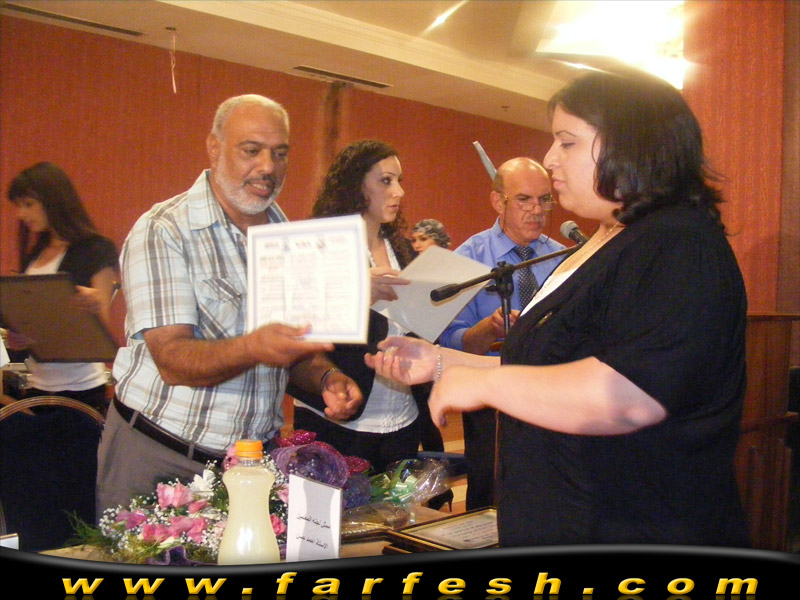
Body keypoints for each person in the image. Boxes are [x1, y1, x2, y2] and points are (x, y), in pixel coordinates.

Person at [366, 68, 750, 547]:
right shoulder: (609, 243)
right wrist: (445, 362)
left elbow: (629, 395)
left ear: (631, 144)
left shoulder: (677, 242)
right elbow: (554, 367)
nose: (550, 159)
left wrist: (484, 383)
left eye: (566, 142)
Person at [97, 94, 363, 516]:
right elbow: (173, 360)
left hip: (251, 464)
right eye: (251, 150)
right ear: (214, 147)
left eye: (280, 153)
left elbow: (289, 349)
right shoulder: (165, 230)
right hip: (162, 457)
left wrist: (326, 378)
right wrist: (254, 346)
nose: (268, 167)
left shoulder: (286, 236)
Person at [287, 139, 435, 476]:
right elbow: (296, 331)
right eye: (385, 181)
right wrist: (352, 294)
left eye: (399, 181)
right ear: (355, 186)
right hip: (340, 416)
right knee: (336, 509)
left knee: (394, 507)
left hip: (401, 417)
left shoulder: (401, 248)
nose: (398, 192)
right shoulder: (319, 246)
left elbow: (407, 324)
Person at [437, 157, 565, 510]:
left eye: (544, 200)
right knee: (491, 497)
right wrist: (488, 328)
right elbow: (451, 343)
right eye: (524, 199)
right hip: (489, 401)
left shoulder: (563, 258)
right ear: (498, 201)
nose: (537, 210)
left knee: (548, 497)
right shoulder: (466, 259)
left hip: (553, 392)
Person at [5, 162, 119, 413]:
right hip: (37, 383)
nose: (21, 214)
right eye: (19, 206)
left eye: (28, 204)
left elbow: (101, 331)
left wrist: (92, 304)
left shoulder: (97, 249)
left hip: (82, 388)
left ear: (53, 199)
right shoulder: (36, 253)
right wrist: (19, 337)